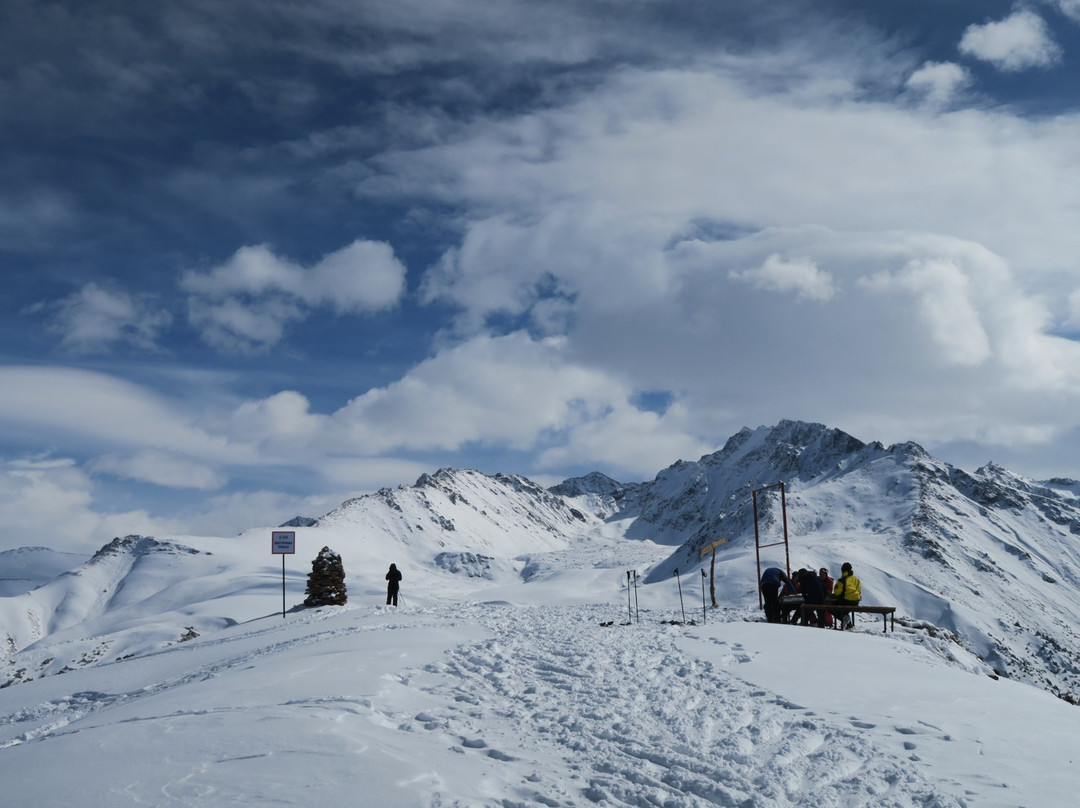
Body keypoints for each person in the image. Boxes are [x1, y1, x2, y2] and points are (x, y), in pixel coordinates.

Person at [831, 562, 861, 629]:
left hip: (845, 601)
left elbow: (836, 592)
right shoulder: (856, 579)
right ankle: (848, 624)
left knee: (830, 607)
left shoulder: (842, 580)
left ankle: (846, 620)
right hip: (856, 602)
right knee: (844, 611)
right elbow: (859, 590)